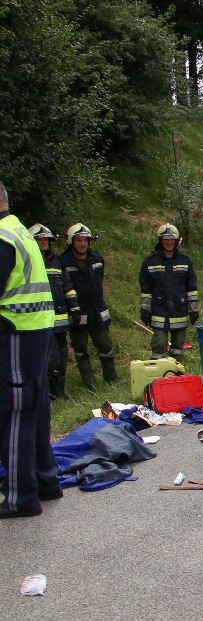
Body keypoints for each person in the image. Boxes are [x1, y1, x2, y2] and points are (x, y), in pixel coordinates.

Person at [0, 181, 61, 518]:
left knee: (14, 413)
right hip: (36, 331)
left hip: (14, 333)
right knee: (34, 409)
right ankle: (45, 481)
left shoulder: (2, 237)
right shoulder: (18, 230)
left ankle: (19, 496)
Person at [61, 222, 118, 388]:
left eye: (86, 240)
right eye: (79, 240)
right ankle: (89, 382)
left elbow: (100, 281)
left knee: (106, 346)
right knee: (80, 350)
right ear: (71, 241)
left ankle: (111, 378)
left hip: (97, 311)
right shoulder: (64, 262)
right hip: (77, 312)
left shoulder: (97, 258)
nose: (83, 243)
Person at [29, 223, 80, 400]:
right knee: (49, 358)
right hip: (38, 320)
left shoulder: (57, 262)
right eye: (39, 239)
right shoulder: (28, 262)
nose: (43, 242)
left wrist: (74, 308)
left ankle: (58, 392)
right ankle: (43, 391)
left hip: (59, 320)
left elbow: (68, 287)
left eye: (46, 239)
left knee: (62, 359)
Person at [139, 223, 199, 361]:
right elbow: (145, 290)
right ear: (160, 240)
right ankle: (158, 375)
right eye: (165, 239)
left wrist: (194, 310)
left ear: (177, 241)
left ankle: (175, 375)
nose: (169, 242)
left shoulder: (185, 261)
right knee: (159, 344)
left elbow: (191, 288)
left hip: (179, 311)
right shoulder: (150, 262)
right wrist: (145, 309)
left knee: (178, 347)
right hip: (159, 312)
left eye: (172, 239)